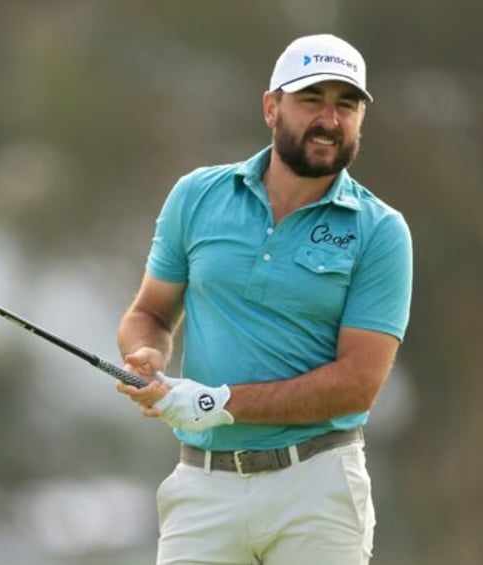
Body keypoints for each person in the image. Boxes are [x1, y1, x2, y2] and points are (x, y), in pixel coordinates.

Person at [115, 33, 413, 565]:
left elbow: (358, 386)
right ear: (271, 107)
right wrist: (148, 355)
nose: (329, 118)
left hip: (318, 486)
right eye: (311, 100)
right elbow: (150, 313)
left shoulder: (380, 231)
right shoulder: (197, 196)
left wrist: (217, 402)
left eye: (346, 104)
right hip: (204, 486)